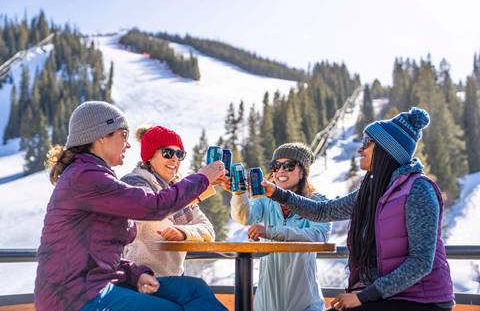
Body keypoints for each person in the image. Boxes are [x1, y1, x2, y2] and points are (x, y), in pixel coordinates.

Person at [34, 101, 228, 311]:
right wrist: (201, 179)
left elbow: (100, 254)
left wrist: (135, 275)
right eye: (123, 135)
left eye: (179, 154)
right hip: (74, 296)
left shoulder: (94, 175)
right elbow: (153, 207)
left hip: (95, 285)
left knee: (194, 290)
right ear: (101, 136)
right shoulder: (87, 177)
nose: (128, 144)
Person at [262, 108, 455, 311]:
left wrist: (363, 297)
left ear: (385, 149)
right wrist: (276, 193)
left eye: (367, 143)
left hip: (421, 300)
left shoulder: (418, 190)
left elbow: (421, 262)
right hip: (385, 296)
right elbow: (324, 211)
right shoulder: (371, 190)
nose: (360, 150)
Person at [230, 143, 332, 311]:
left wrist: (270, 232)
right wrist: (239, 193)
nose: (281, 171)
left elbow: (319, 236)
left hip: (305, 302)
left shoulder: (318, 202)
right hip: (266, 303)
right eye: (276, 166)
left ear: (303, 171)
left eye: (289, 166)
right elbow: (244, 217)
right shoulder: (264, 199)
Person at [121, 124, 215, 276]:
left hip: (172, 277)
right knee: (198, 292)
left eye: (180, 154)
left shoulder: (178, 190)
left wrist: (184, 232)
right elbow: (156, 216)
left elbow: (208, 230)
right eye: (167, 153)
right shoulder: (133, 184)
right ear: (149, 157)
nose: (175, 159)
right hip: (139, 277)